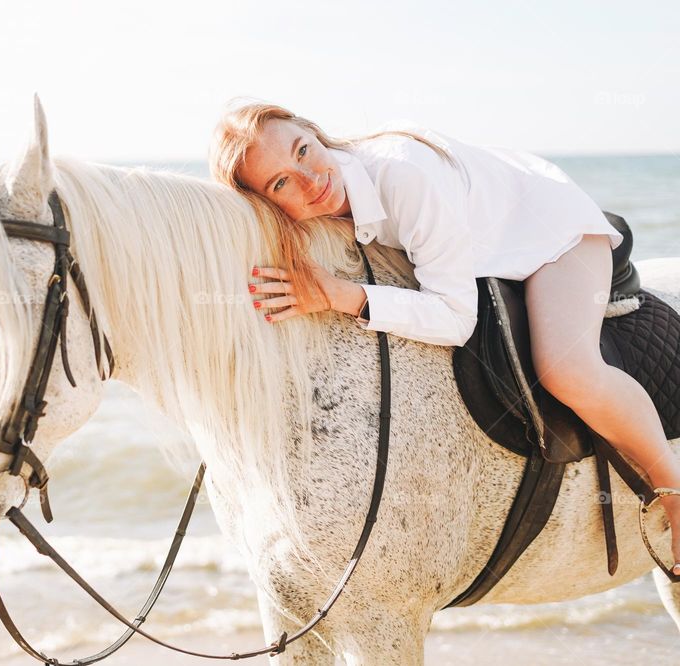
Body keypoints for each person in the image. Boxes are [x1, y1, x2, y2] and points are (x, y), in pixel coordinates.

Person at [208, 100, 680, 573]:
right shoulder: (315, 206)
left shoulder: (404, 175)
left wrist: (342, 296)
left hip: (551, 232)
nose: (311, 179)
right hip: (481, 233)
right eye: (281, 182)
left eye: (303, 150)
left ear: (314, 132)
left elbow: (457, 319)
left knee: (569, 371)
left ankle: (674, 491)